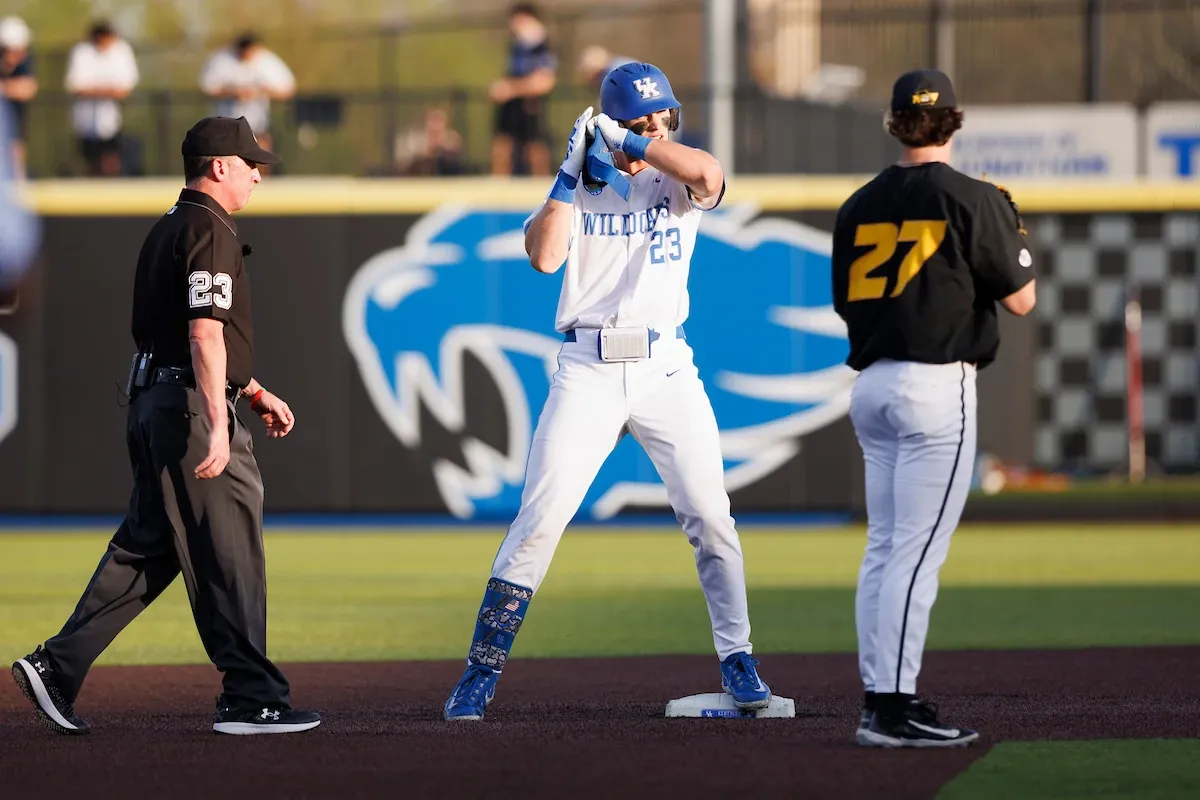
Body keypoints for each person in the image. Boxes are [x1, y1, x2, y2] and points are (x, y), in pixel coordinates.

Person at [443, 62, 772, 721]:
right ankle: (481, 670)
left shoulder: (674, 178)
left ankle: (738, 660)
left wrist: (638, 144)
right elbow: (543, 257)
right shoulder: (580, 186)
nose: (658, 128)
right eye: (644, 121)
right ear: (613, 123)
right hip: (589, 365)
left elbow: (710, 176)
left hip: (664, 364)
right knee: (539, 520)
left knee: (710, 516)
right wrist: (567, 176)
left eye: (663, 119)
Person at [10, 116, 321, 736]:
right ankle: (249, 696)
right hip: (186, 408)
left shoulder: (168, 228)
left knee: (149, 549)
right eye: (250, 162)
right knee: (230, 551)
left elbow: (192, 331)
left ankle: (57, 666)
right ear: (218, 166)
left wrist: (251, 389)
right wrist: (215, 419)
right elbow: (204, 332)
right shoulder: (210, 229)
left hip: (155, 399)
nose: (259, 172)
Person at [831, 69, 1037, 748]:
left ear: (894, 121)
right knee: (915, 556)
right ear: (954, 119)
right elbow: (1021, 299)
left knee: (886, 549)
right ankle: (890, 709)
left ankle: (880, 697)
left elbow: (846, 302)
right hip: (934, 388)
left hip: (871, 387)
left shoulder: (858, 203)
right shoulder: (975, 198)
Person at [198, 32, 295, 166]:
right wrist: (234, 92)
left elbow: (286, 90)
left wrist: (259, 92)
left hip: (257, 123)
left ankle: (261, 184)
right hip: (226, 123)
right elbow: (208, 87)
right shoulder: (222, 61)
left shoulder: (267, 61)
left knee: (260, 153)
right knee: (226, 161)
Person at [63, 20, 139, 177]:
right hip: (85, 121)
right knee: (90, 162)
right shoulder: (82, 52)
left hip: (114, 120)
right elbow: (76, 86)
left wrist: (95, 89)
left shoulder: (121, 51)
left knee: (111, 160)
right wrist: (107, 90)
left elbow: (124, 89)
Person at [490, 3, 556, 176]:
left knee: (534, 146)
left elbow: (544, 82)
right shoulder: (516, 47)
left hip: (528, 104)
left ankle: (543, 191)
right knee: (503, 144)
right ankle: (498, 190)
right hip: (511, 105)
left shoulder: (539, 46)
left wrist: (510, 89)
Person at [0, 16, 36, 180]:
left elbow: (28, 88)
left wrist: (4, 88)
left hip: (14, 128)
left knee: (16, 159)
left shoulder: (24, 63)